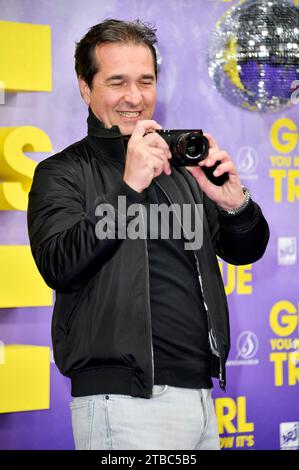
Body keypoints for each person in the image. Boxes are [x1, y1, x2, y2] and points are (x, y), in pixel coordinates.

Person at [27, 19, 269, 450]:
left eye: (145, 80)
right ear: (86, 88)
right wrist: (129, 187)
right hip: (121, 401)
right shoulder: (61, 173)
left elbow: (244, 250)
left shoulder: (179, 171)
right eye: (117, 82)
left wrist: (234, 202)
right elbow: (59, 264)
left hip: (200, 395)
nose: (134, 97)